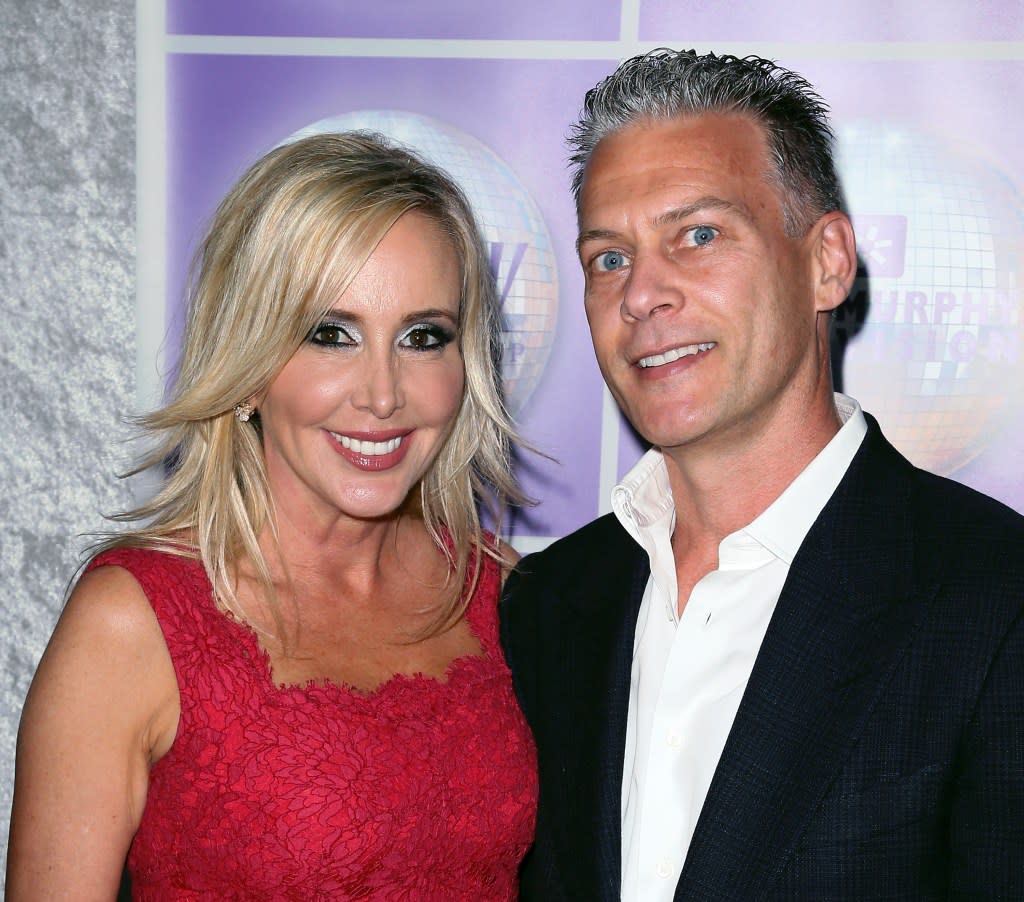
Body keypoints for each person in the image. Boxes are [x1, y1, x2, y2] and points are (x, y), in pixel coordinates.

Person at [500, 49, 1024, 901]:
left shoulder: (994, 597)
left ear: (827, 262)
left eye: (698, 235)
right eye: (609, 258)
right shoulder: (549, 602)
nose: (642, 296)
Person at [8, 132, 537, 899]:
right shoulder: (133, 623)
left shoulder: (503, 591)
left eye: (424, 338)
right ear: (249, 368)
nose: (382, 394)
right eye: (331, 334)